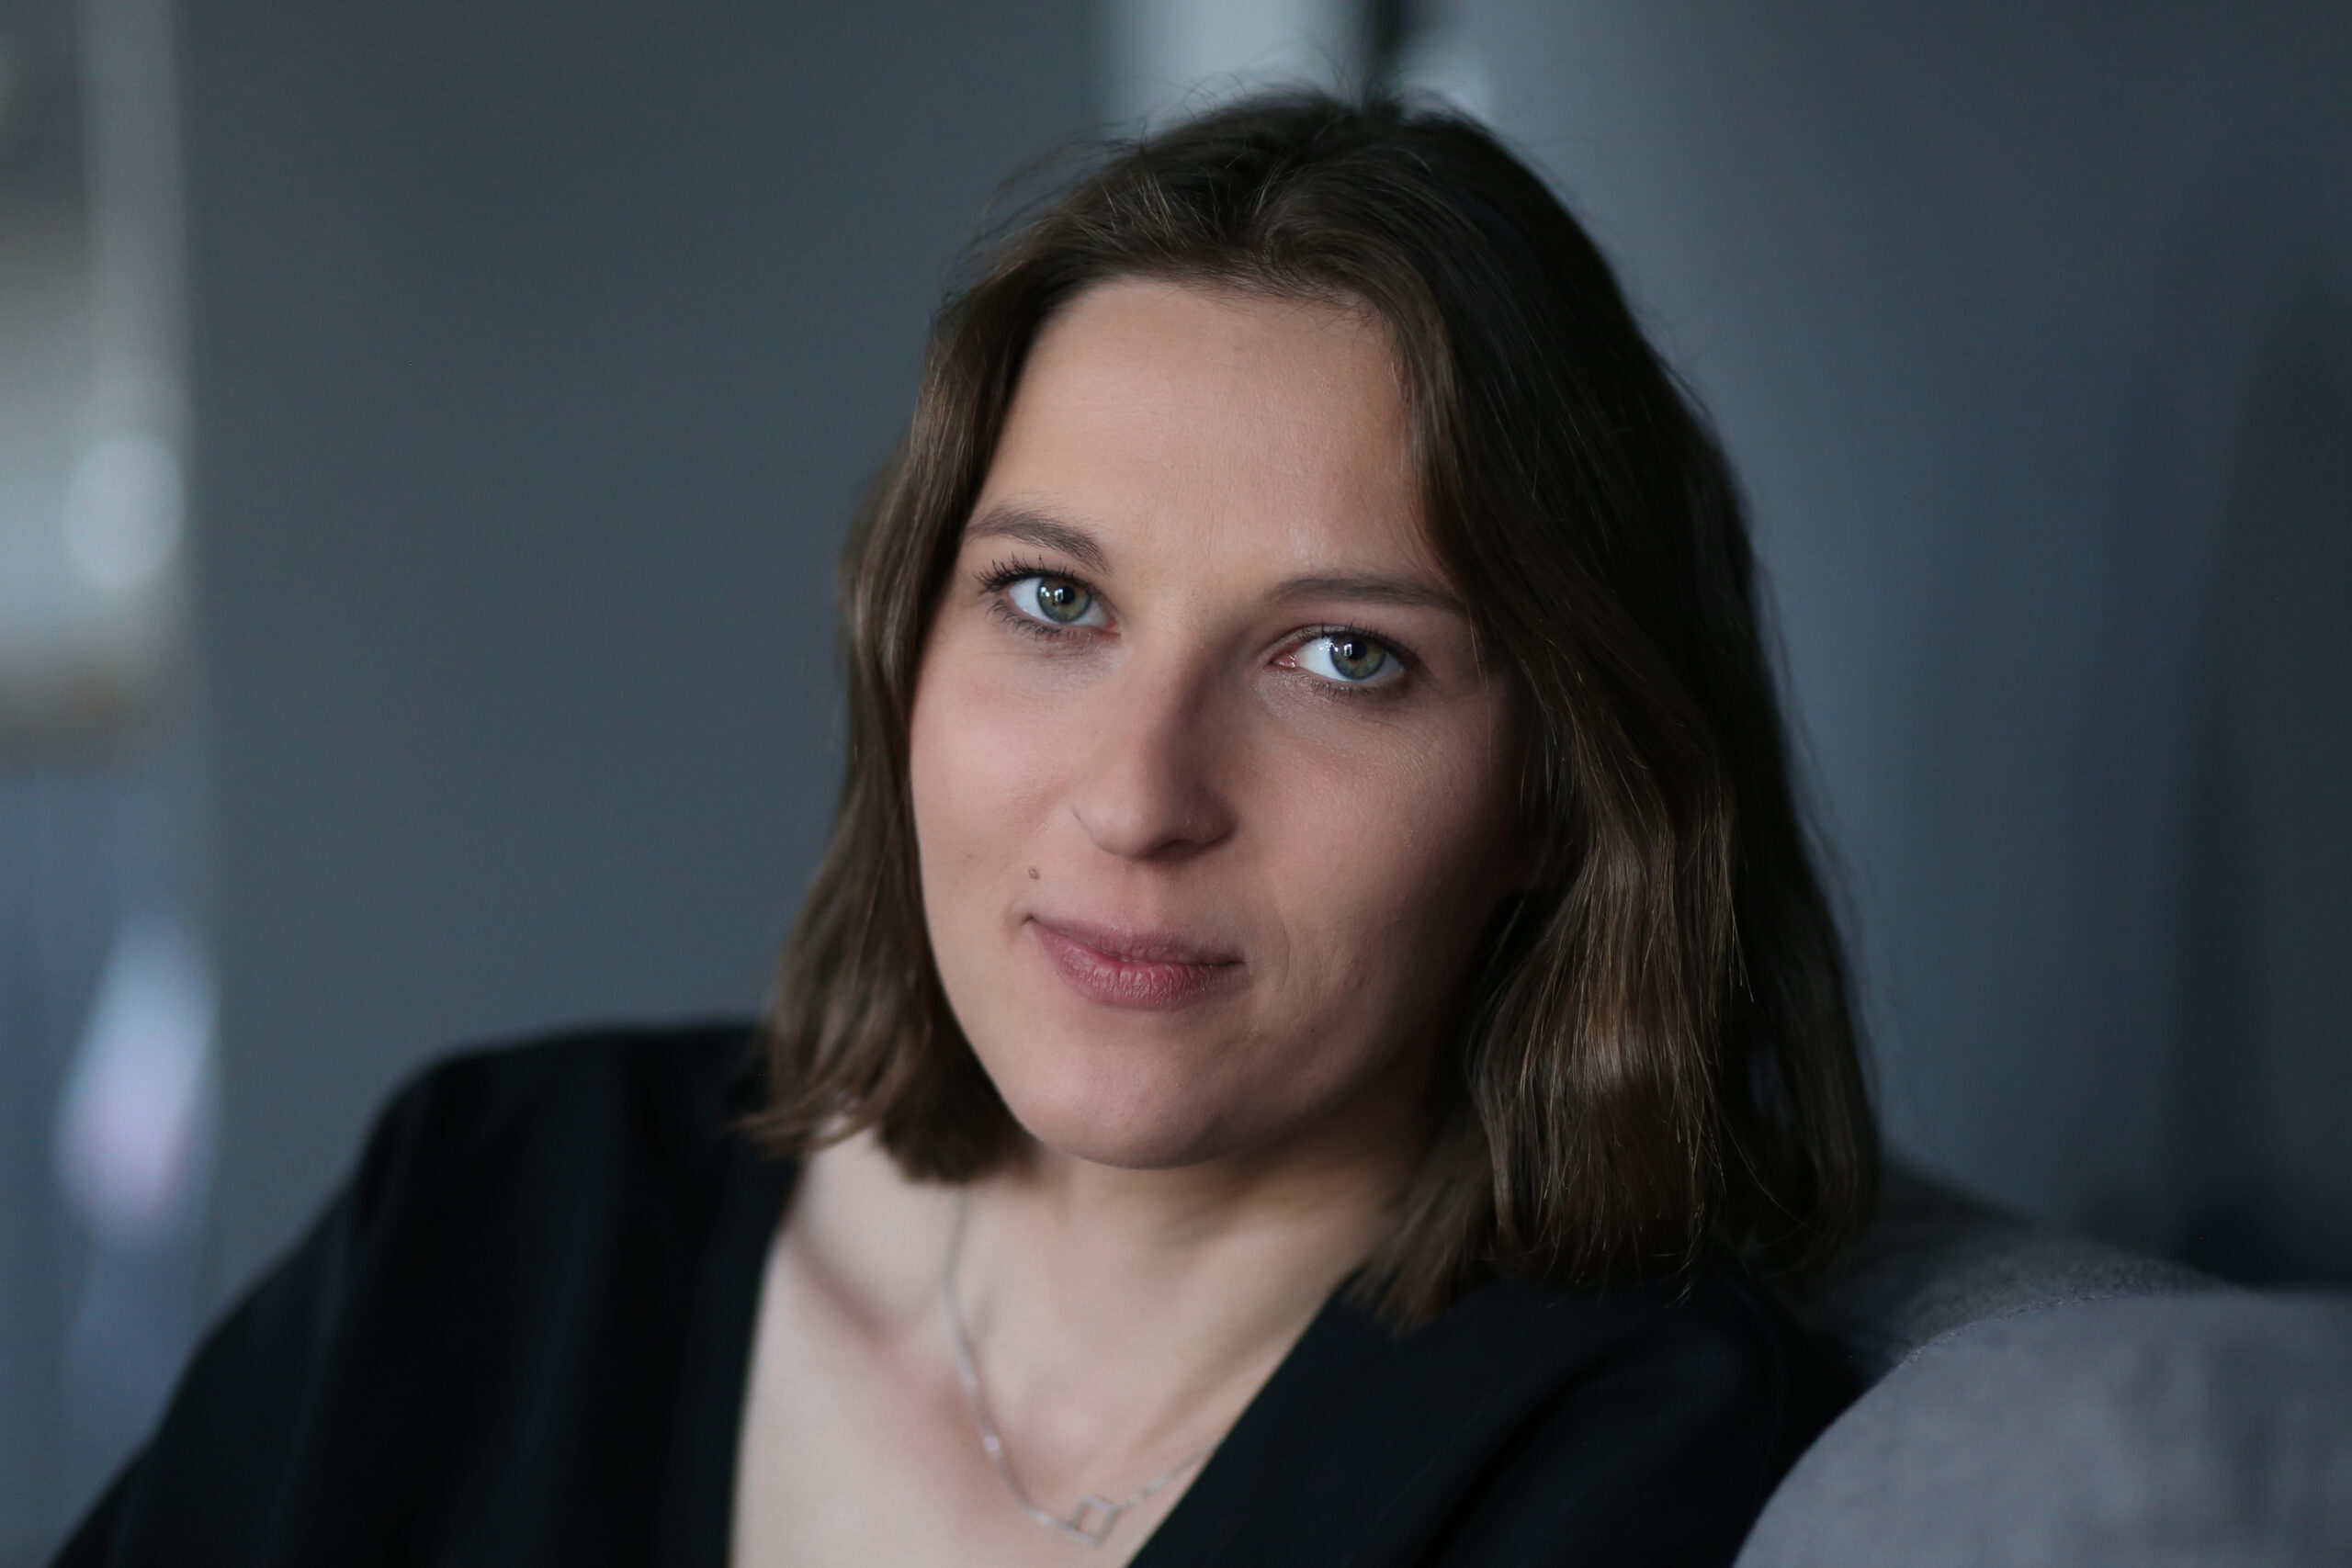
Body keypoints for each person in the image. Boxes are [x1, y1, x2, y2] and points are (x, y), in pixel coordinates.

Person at [56, 94, 1877, 1568]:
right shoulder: (492, 1211)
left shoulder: (1614, 1451)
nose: (1139, 797)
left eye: (1344, 656)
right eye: (1052, 600)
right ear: (906, 644)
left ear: (1561, 787)